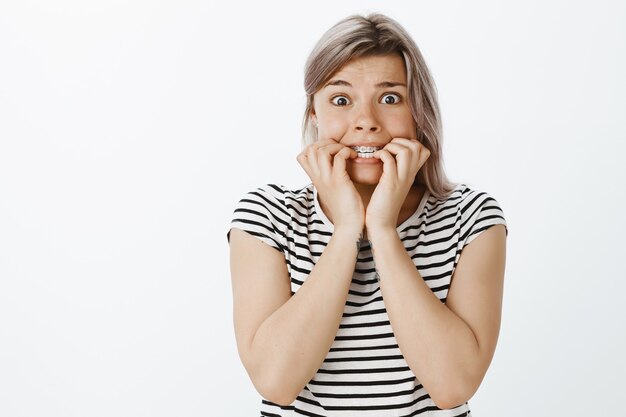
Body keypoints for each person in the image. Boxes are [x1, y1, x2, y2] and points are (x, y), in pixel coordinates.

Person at [227, 12, 507, 416]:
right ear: (314, 115)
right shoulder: (267, 216)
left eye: (390, 98)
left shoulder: (471, 217)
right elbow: (276, 381)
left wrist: (382, 229)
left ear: (419, 114)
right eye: (341, 100)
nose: (366, 123)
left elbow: (452, 385)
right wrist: (345, 231)